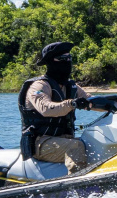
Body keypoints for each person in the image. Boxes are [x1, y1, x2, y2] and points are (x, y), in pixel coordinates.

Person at [17, 42, 92, 174]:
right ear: (50, 62)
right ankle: (77, 186)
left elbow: (91, 101)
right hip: (40, 143)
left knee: (95, 141)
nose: (67, 62)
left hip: (64, 139)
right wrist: (72, 103)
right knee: (76, 146)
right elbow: (46, 108)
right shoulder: (38, 86)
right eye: (63, 59)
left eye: (69, 58)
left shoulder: (70, 86)